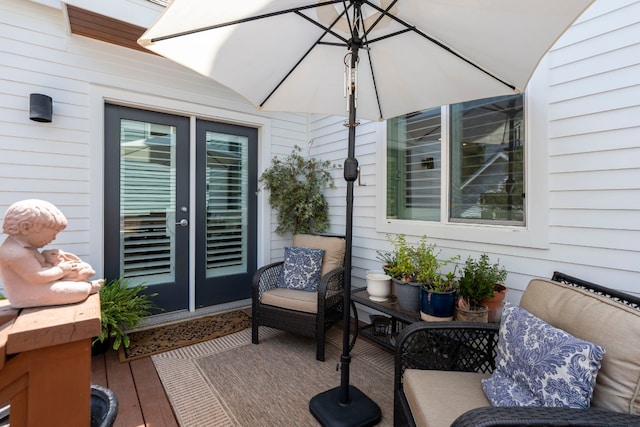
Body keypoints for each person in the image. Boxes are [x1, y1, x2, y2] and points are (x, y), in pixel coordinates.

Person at [0, 199, 103, 308]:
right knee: (79, 290)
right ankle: (88, 288)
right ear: (25, 227)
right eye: (52, 234)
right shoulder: (16, 253)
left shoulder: (25, 247)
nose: (53, 238)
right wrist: (61, 270)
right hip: (27, 294)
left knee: (70, 283)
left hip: (38, 285)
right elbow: (37, 277)